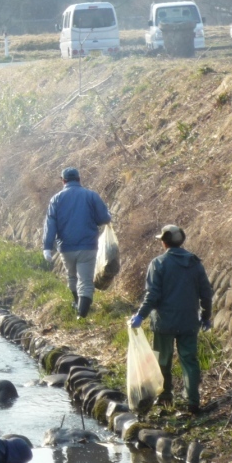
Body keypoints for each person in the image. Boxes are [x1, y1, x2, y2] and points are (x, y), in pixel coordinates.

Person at [128, 225, 213, 414]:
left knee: (162, 360)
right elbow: (206, 293)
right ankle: (193, 402)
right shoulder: (195, 263)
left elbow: (152, 295)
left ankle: (165, 397)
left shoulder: (158, 264)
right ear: (181, 241)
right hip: (189, 321)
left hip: (163, 322)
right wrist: (206, 316)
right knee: (190, 360)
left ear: (164, 242)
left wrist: (141, 315)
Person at [42, 167, 111, 318]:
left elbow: (51, 224)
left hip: (66, 248)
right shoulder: (91, 195)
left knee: (72, 277)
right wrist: (108, 215)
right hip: (88, 246)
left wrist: (47, 247)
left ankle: (77, 305)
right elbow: (103, 219)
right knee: (85, 280)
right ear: (79, 179)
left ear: (63, 181)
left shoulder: (56, 199)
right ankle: (82, 313)